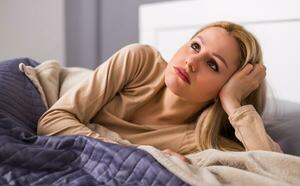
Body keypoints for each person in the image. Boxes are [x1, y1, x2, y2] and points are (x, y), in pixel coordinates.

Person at [37, 21, 282, 163]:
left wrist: (232, 102)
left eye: (213, 64)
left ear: (227, 86)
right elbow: (52, 121)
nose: (191, 62)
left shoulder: (199, 140)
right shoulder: (139, 60)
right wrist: (138, 153)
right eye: (195, 46)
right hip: (45, 83)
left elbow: (276, 168)